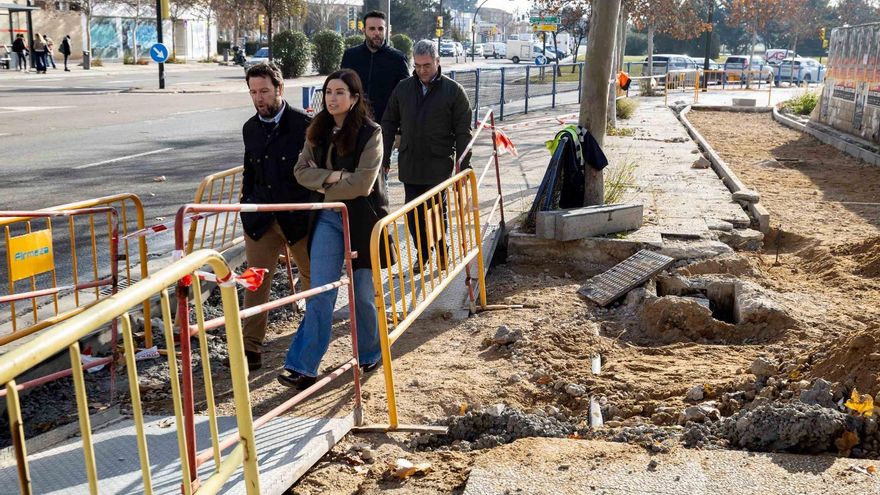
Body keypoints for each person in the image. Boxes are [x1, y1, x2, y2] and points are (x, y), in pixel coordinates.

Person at [278, 68, 390, 390]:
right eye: (328, 92)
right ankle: (303, 366)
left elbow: (364, 183)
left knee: (362, 295)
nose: (332, 98)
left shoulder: (372, 132)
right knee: (321, 293)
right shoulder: (318, 131)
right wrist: (338, 176)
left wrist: (324, 179)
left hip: (362, 221)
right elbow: (300, 171)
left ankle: (369, 352)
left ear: (354, 98)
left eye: (340, 92)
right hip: (327, 217)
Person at [239, 62, 313, 371]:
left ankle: (311, 342)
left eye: (264, 91)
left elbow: (315, 172)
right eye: (254, 92)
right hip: (260, 221)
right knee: (255, 283)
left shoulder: (304, 125)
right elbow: (250, 171)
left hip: (299, 219)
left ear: (279, 89)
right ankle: (249, 349)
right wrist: (246, 205)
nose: (259, 99)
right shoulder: (250, 128)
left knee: (315, 282)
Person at [381, 39, 473, 274]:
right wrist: (384, 159)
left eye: (427, 65)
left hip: (438, 164)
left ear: (437, 62)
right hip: (410, 163)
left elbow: (463, 132)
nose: (422, 70)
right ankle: (422, 255)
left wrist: (463, 166)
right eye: (418, 65)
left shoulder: (453, 91)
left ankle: (442, 252)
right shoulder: (403, 88)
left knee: (435, 214)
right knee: (412, 215)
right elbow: (389, 123)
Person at [340, 10, 409, 125]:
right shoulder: (350, 56)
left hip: (387, 126)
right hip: (354, 123)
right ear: (364, 31)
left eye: (380, 29)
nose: (377, 33)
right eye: (372, 29)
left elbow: (406, 96)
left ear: (386, 30)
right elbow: (342, 88)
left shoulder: (398, 59)